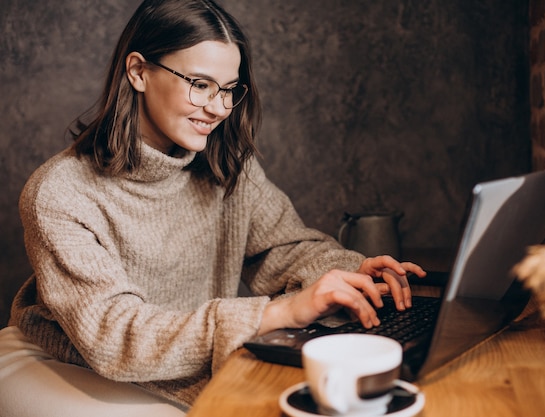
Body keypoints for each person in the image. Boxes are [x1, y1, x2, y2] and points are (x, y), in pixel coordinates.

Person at [0, 0, 425, 415]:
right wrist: (278, 312)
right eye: (200, 84)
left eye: (229, 89)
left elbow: (284, 249)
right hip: (76, 360)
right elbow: (115, 336)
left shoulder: (226, 165)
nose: (219, 108)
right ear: (138, 71)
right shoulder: (58, 193)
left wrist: (350, 272)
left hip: (183, 353)